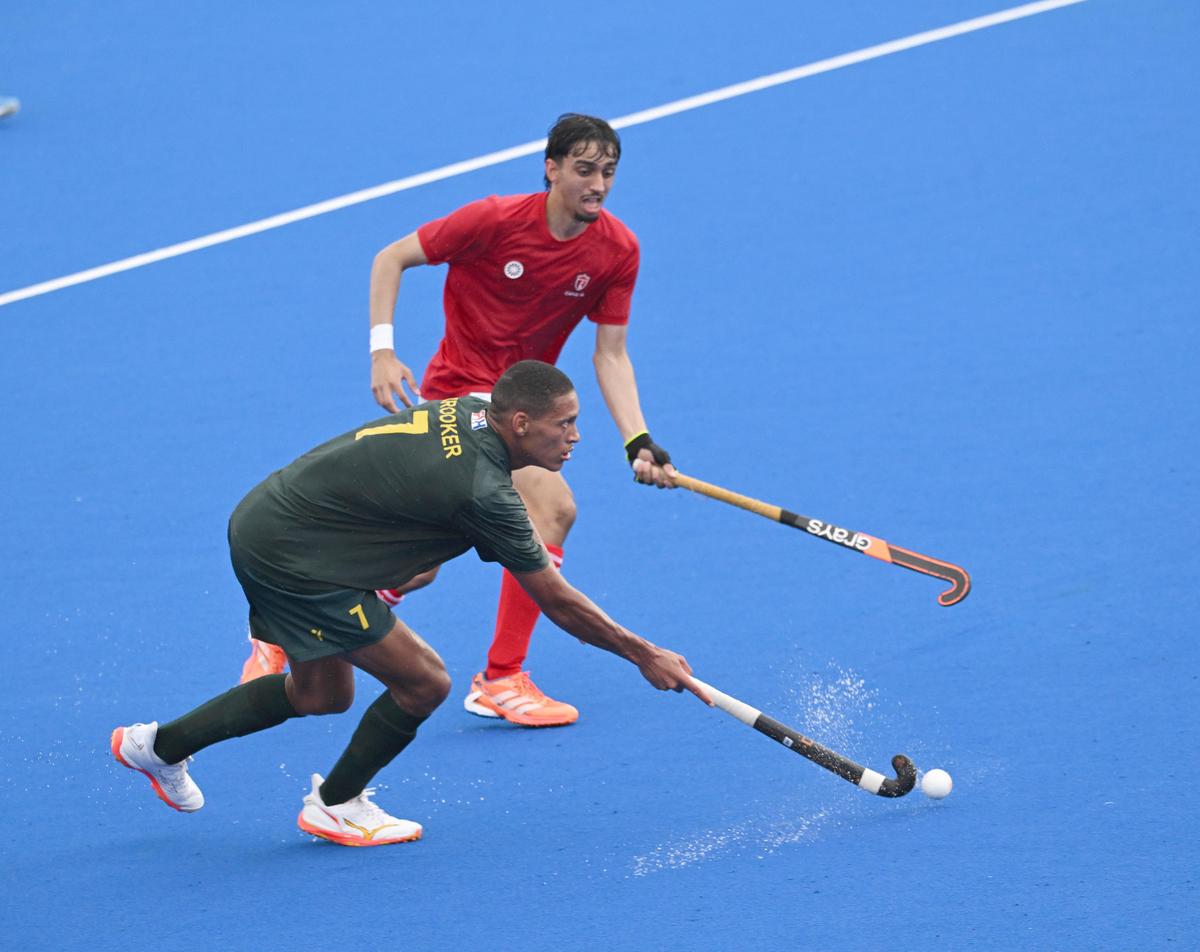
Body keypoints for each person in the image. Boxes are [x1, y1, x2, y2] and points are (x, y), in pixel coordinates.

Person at [112, 361, 707, 846]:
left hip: (274, 518)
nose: (576, 437)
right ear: (521, 423)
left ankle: (155, 746)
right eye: (565, 425)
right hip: (297, 558)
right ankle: (337, 805)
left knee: (322, 695)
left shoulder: (476, 405)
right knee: (423, 682)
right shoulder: (485, 492)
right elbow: (557, 601)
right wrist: (644, 653)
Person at [239, 113, 677, 728]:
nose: (597, 184)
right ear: (550, 169)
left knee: (419, 567)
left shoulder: (617, 250)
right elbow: (392, 258)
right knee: (553, 508)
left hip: (525, 408)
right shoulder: (494, 221)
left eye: (608, 172)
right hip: (464, 399)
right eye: (584, 170)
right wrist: (383, 349)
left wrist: (639, 438)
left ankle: (292, 631)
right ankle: (502, 678)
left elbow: (611, 353)